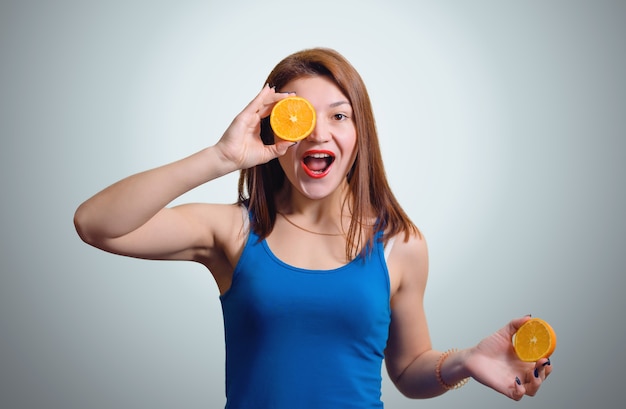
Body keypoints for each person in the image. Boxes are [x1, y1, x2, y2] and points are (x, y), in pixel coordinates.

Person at [74, 47, 552, 408]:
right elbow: (96, 224)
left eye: (338, 115)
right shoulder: (234, 232)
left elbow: (407, 370)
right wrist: (220, 157)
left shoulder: (402, 244)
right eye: (300, 117)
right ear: (272, 132)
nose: (319, 133)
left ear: (359, 133)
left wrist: (466, 359)